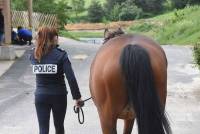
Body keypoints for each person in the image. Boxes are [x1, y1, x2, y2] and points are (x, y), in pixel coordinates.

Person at [30, 26, 82, 134]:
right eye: (56, 37)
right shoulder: (61, 54)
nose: (57, 39)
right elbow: (71, 78)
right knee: (59, 127)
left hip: (40, 96)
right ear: (53, 38)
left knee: (43, 129)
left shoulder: (34, 54)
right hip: (59, 96)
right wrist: (77, 98)